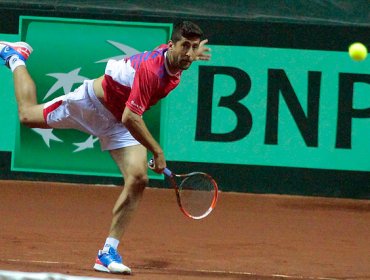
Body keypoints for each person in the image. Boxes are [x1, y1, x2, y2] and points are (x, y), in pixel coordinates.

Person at [0, 21, 210, 274]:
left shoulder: (177, 60)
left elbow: (127, 117)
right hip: (90, 106)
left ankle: (107, 252)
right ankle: (14, 57)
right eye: (184, 46)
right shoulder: (151, 70)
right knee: (26, 116)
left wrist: (191, 53)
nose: (189, 53)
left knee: (138, 178)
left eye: (194, 47)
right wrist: (158, 151)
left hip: (118, 123)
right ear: (170, 45)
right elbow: (131, 118)